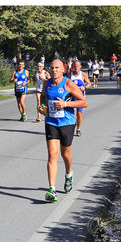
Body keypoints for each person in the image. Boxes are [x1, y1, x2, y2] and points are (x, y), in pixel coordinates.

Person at [38, 59, 88, 202]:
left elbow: (84, 102)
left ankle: (68, 175)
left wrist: (65, 103)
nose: (54, 70)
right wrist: (42, 107)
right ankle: (52, 190)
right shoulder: (47, 83)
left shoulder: (68, 83)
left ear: (63, 70)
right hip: (51, 122)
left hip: (67, 122)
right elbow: (43, 98)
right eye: (52, 68)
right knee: (52, 154)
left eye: (57, 68)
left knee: (65, 153)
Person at [68, 60, 91, 137]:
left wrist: (84, 87)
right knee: (72, 114)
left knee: (79, 114)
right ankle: (71, 127)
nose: (76, 68)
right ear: (72, 67)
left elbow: (89, 83)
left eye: (78, 66)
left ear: (80, 66)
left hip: (81, 97)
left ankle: (78, 129)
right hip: (72, 97)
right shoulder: (69, 75)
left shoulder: (83, 75)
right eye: (75, 66)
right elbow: (65, 84)